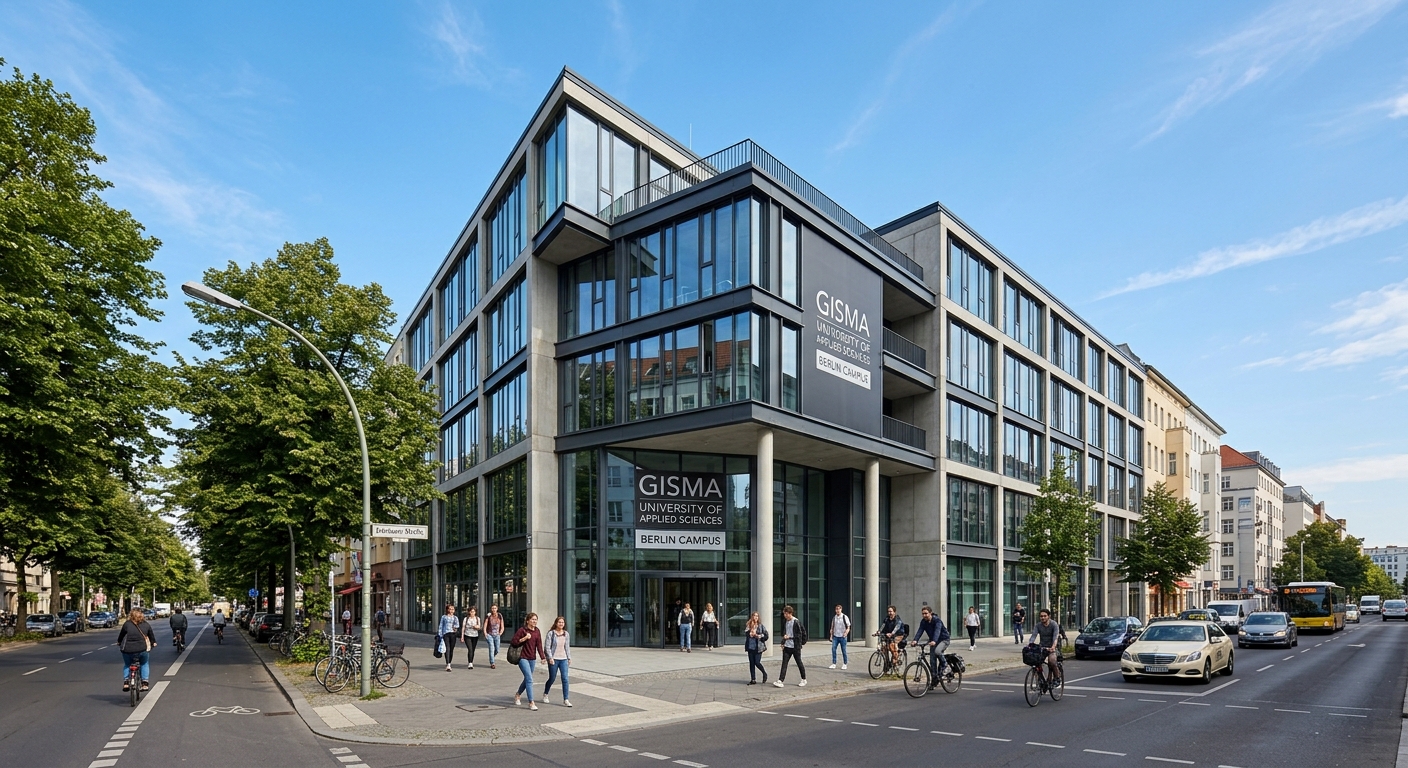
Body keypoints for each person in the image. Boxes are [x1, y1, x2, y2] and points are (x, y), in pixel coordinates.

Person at [510, 612, 543, 711]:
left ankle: (518, 694)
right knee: (529, 679)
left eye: (536, 619)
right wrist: (524, 638)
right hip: (522, 657)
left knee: (527, 679)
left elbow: (539, 645)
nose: (534, 621)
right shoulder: (522, 630)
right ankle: (531, 702)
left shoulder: (537, 631)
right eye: (532, 619)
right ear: (528, 621)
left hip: (532, 658)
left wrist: (543, 657)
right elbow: (514, 642)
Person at [117, 608, 157, 693]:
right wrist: (153, 643)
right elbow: (151, 635)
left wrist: (119, 642)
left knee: (127, 664)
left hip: (127, 650)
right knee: (144, 663)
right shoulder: (146, 624)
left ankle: (126, 682)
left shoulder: (127, 624)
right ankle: (145, 683)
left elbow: (121, 635)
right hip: (142, 650)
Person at [912, 606, 950, 686]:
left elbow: (937, 630)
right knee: (932, 662)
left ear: (930, 613)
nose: (924, 615)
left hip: (943, 639)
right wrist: (915, 640)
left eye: (926, 613)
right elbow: (920, 631)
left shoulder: (937, 620)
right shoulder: (923, 622)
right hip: (933, 641)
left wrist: (934, 641)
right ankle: (934, 680)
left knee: (937, 651)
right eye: (923, 614)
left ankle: (946, 666)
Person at [773, 604, 807, 688]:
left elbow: (800, 635)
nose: (785, 615)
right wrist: (783, 642)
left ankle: (804, 679)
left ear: (790, 613)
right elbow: (785, 633)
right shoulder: (786, 622)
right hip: (787, 646)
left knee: (799, 662)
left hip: (795, 647)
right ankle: (780, 680)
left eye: (786, 614)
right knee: (784, 663)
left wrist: (791, 638)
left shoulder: (796, 622)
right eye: (784, 614)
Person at [542, 615, 572, 707]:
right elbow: (547, 647)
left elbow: (567, 646)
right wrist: (550, 658)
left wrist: (569, 657)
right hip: (554, 659)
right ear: (556, 623)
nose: (561, 624)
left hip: (563, 659)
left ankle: (566, 699)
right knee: (552, 678)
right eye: (559, 622)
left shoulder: (566, 634)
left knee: (565, 678)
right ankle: (546, 694)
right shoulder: (551, 633)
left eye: (562, 622)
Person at [1029, 608, 1062, 684]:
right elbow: (1033, 636)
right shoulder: (1038, 625)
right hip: (1043, 647)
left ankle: (1057, 678)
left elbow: (1055, 637)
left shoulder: (1054, 624)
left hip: (1052, 647)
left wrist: (1053, 647)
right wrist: (1030, 644)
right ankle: (1040, 680)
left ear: (1049, 616)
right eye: (1041, 616)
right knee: (1036, 662)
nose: (1043, 618)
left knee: (1052, 661)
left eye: (1044, 616)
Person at [744, 611, 769, 685]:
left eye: (757, 616)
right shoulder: (749, 625)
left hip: (758, 647)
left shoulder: (761, 626)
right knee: (751, 663)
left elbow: (766, 635)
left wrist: (759, 636)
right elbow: (746, 633)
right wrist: (750, 633)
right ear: (752, 617)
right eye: (754, 616)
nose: (755, 617)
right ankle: (753, 679)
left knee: (757, 662)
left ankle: (764, 673)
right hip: (750, 646)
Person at [437, 605, 460, 672]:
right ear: (447, 610)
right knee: (447, 648)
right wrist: (440, 634)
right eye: (450, 609)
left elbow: (457, 625)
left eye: (453, 609)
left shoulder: (455, 618)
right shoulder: (444, 617)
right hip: (445, 634)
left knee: (451, 649)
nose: (451, 610)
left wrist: (455, 627)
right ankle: (448, 664)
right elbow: (441, 625)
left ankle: (450, 661)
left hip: (453, 634)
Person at [828, 604, 851, 670]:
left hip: (842, 636)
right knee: (833, 649)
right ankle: (834, 663)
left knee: (843, 650)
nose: (837, 610)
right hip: (835, 636)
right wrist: (831, 635)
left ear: (841, 609)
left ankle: (845, 663)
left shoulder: (844, 617)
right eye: (836, 609)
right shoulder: (834, 618)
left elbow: (848, 626)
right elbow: (832, 627)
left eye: (839, 609)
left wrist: (846, 633)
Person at [485, 605, 504, 669]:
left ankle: (491, 656)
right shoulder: (489, 616)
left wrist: (501, 632)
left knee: (497, 650)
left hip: (497, 635)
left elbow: (502, 625)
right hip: (490, 634)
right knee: (491, 648)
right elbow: (485, 625)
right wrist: (485, 633)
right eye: (492, 608)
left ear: (497, 609)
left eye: (495, 608)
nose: (494, 609)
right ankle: (492, 663)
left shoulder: (500, 616)